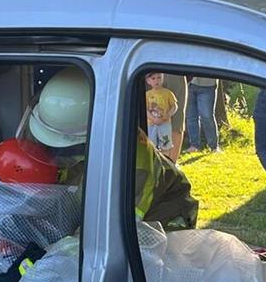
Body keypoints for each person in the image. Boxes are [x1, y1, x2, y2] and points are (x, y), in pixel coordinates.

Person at [29, 67, 198, 229]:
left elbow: (114, 228)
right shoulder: (88, 135)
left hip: (164, 220)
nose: (58, 151)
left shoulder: (132, 164)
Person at [144, 71, 177, 158]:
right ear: (148, 81)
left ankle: (165, 161)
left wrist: (168, 115)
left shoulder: (168, 93)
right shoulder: (147, 95)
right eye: (153, 78)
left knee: (165, 144)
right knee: (151, 145)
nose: (156, 81)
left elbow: (174, 106)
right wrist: (153, 119)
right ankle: (153, 162)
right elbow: (145, 109)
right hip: (151, 124)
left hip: (165, 124)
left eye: (159, 77)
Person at [185, 76, 220, 153]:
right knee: (191, 116)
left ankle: (214, 146)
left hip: (208, 85)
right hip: (190, 84)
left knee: (207, 116)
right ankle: (194, 145)